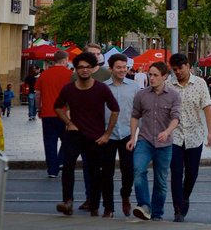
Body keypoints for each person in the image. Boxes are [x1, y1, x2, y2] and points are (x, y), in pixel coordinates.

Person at [54, 52, 119, 217]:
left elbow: (115, 109)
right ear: (75, 70)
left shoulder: (101, 88)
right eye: (80, 67)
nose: (84, 70)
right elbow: (57, 107)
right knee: (68, 166)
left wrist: (107, 134)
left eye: (88, 67)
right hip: (74, 134)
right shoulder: (69, 89)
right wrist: (69, 123)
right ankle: (67, 201)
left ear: (92, 69)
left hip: (95, 136)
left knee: (94, 172)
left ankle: (95, 205)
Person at [128, 62, 181, 221]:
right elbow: (135, 116)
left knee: (161, 181)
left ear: (165, 76)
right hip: (145, 140)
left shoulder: (174, 95)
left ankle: (156, 213)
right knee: (138, 170)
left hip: (164, 144)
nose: (151, 78)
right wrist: (132, 137)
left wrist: (167, 132)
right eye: (150, 74)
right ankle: (144, 205)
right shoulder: (141, 95)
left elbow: (176, 118)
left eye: (155, 75)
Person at [167, 53, 211, 222]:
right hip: (175, 136)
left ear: (188, 66)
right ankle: (178, 208)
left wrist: (210, 133)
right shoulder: (169, 85)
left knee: (192, 173)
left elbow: (207, 107)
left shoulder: (200, 83)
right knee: (176, 172)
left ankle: (185, 196)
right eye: (175, 69)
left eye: (180, 68)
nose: (178, 72)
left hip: (194, 135)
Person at [102, 54, 139, 218]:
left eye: (125, 67)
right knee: (107, 172)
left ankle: (125, 195)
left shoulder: (134, 86)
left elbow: (139, 111)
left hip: (127, 134)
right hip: (107, 135)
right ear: (111, 68)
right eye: (119, 67)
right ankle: (108, 207)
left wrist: (136, 133)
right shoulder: (103, 87)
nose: (122, 70)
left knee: (128, 170)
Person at [37, 51, 72, 178]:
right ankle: (60, 160)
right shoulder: (70, 75)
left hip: (47, 112)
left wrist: (38, 108)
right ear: (65, 60)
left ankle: (52, 169)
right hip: (65, 114)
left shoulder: (44, 74)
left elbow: (38, 94)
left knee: (49, 142)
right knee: (68, 140)